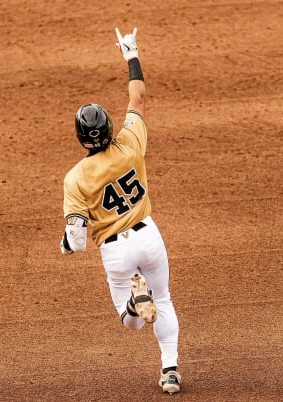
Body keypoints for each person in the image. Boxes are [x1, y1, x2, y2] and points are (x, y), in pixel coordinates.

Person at [59, 27, 182, 394]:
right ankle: (170, 371)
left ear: (81, 137)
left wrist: (66, 244)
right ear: (109, 127)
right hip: (148, 234)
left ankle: (132, 302)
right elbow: (139, 98)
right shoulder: (130, 143)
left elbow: (78, 241)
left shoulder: (76, 178)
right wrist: (130, 54)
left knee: (130, 322)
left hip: (115, 250)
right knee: (163, 300)